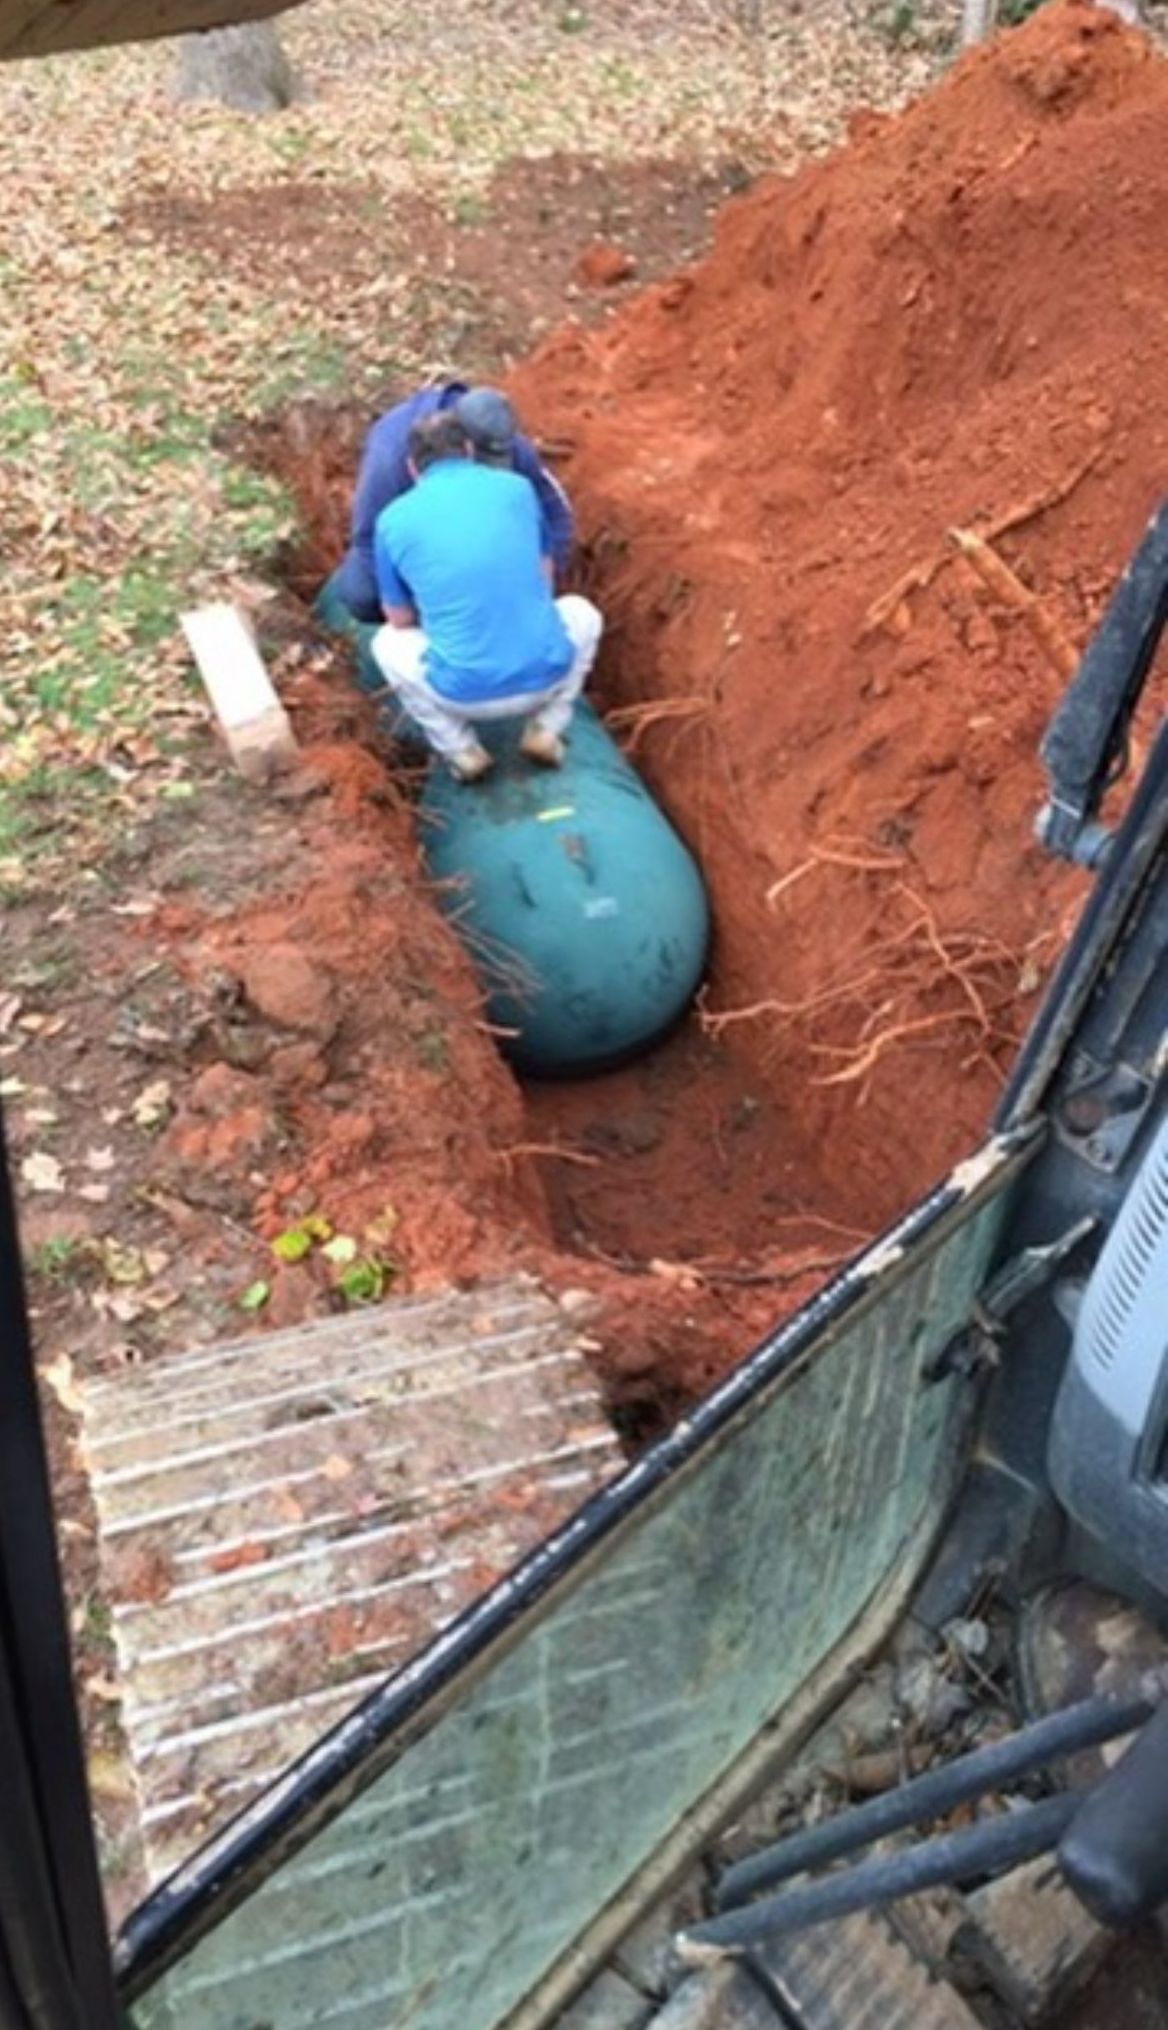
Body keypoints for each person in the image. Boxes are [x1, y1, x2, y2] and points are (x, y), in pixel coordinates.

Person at [371, 412, 602, 783]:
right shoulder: (518, 489)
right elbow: (545, 580)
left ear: (412, 468)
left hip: (461, 695)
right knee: (583, 613)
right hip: (546, 676)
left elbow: (397, 618)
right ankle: (547, 727)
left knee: (385, 643)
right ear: (468, 450)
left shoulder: (391, 520)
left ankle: (460, 749)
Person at [330, 381, 574, 625]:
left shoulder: (505, 442)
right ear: (464, 446)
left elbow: (556, 512)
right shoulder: (390, 457)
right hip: (423, 559)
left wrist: (538, 586)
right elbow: (366, 541)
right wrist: (436, 601)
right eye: (482, 463)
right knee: (359, 593)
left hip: (486, 550)